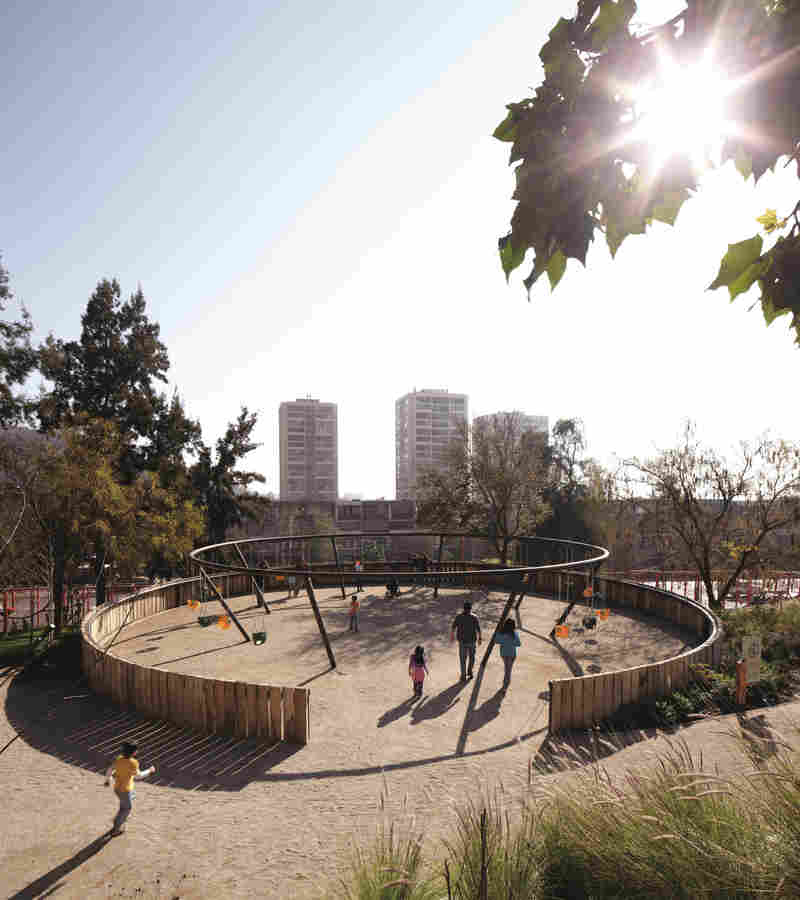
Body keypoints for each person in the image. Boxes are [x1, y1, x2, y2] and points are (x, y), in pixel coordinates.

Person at [104, 741, 155, 836]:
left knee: (124, 804)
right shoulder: (134, 763)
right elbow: (138, 776)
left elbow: (110, 770)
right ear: (135, 752)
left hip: (117, 788)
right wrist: (149, 771)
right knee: (127, 808)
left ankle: (119, 817)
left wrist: (107, 780)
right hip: (125, 790)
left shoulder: (118, 759)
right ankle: (116, 828)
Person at [450, 601, 482, 682]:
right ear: (470, 609)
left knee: (463, 659)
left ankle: (463, 675)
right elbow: (478, 629)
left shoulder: (459, 617)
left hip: (462, 641)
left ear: (463, 608)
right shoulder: (474, 617)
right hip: (471, 641)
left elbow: (453, 627)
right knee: (472, 658)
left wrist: (452, 636)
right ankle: (470, 672)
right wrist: (480, 638)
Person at [494, 618, 522, 692]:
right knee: (508, 670)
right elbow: (518, 644)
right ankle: (505, 687)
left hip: (503, 653)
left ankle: (504, 686)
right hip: (512, 653)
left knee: (507, 670)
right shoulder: (514, 633)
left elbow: (496, 641)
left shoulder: (501, 632)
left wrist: (504, 641)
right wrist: (511, 642)